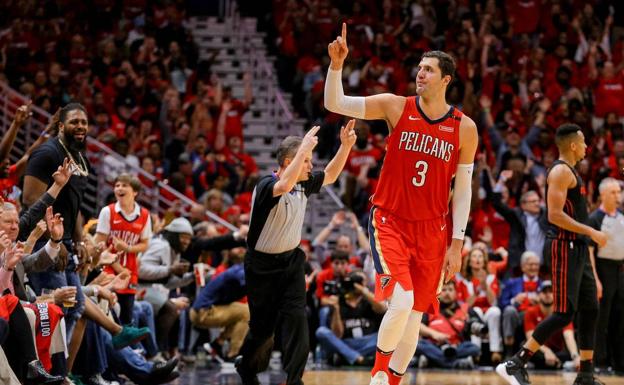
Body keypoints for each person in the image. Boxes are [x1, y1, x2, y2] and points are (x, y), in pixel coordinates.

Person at [324, 24, 478, 385]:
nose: (419, 75)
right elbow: (336, 103)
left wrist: (457, 242)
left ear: (446, 80)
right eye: (419, 69)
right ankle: (378, 372)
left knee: (414, 316)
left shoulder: (464, 127)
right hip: (390, 220)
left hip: (433, 231)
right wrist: (336, 66)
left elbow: (465, 189)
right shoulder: (396, 106)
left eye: (427, 70)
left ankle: (392, 380)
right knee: (403, 299)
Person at [236, 120, 356, 385]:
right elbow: (283, 186)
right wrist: (302, 149)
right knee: (262, 329)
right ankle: (246, 366)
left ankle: (294, 379)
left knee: (297, 318)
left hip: (291, 262)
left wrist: (345, 146)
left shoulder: (303, 183)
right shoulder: (266, 185)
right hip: (261, 267)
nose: (311, 166)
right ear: (291, 160)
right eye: (306, 161)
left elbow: (332, 175)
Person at [496, 123, 608, 385]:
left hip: (578, 248)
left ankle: (586, 374)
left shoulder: (572, 172)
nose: (586, 147)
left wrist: (586, 237)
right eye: (582, 143)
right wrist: (591, 232)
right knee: (564, 312)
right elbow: (554, 215)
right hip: (563, 246)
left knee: (590, 307)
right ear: (572, 145)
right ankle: (516, 363)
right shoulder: (559, 171)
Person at [22, 102, 91, 337]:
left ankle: (61, 371)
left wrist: (80, 241)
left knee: (75, 307)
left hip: (66, 241)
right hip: (44, 241)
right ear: (61, 126)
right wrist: (53, 241)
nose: (80, 126)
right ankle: (45, 369)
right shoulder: (48, 153)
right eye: (74, 121)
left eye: (83, 122)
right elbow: (31, 200)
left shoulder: (81, 159)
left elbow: (76, 205)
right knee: (52, 308)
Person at [94, 173, 152, 325]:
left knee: (126, 318)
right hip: (108, 271)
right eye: (117, 185)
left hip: (130, 272)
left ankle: (127, 348)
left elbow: (145, 244)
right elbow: (100, 245)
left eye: (124, 185)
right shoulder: (108, 211)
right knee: (108, 315)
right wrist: (119, 268)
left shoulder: (145, 215)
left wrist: (127, 247)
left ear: (135, 192)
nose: (119, 188)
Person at [587, 178, 624, 371]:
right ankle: (599, 361)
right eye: (613, 192)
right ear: (602, 195)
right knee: (602, 318)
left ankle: (619, 361)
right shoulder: (595, 218)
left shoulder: (622, 215)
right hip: (603, 270)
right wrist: (596, 280)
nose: (617, 196)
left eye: (619, 192)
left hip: (620, 270)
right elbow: (590, 252)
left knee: (620, 317)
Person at [315, 270, 385, 366]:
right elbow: (337, 334)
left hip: (370, 342)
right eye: (356, 281)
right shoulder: (339, 300)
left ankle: (348, 357)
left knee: (391, 333)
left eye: (361, 281)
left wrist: (363, 291)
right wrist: (336, 309)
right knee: (321, 331)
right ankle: (358, 359)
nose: (359, 284)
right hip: (346, 343)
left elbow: (382, 308)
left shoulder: (369, 300)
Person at [523, 280, 580, 370]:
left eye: (551, 291)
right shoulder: (530, 312)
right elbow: (530, 337)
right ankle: (559, 364)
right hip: (539, 349)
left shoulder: (563, 314)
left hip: (558, 351)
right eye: (544, 292)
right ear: (538, 295)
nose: (548, 294)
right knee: (526, 347)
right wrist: (547, 351)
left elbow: (569, 336)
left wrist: (575, 356)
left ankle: (559, 363)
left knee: (571, 350)